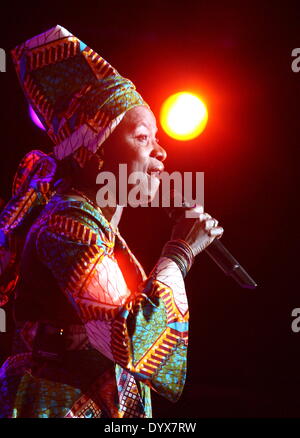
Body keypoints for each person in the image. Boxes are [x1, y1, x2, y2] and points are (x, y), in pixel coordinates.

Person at [0, 25, 223, 418]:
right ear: (96, 152)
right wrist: (181, 251)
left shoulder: (96, 228)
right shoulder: (67, 225)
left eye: (157, 137)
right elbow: (127, 337)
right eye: (141, 137)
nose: (161, 151)